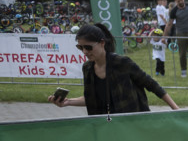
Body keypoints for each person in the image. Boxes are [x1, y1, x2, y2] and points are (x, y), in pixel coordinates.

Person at [49, 23, 180, 115]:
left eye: (88, 47)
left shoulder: (122, 62)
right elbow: (92, 98)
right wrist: (67, 102)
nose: (84, 51)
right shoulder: (87, 68)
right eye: (80, 47)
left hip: (131, 123)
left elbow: (152, 85)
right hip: (104, 125)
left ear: (102, 43)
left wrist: (176, 110)